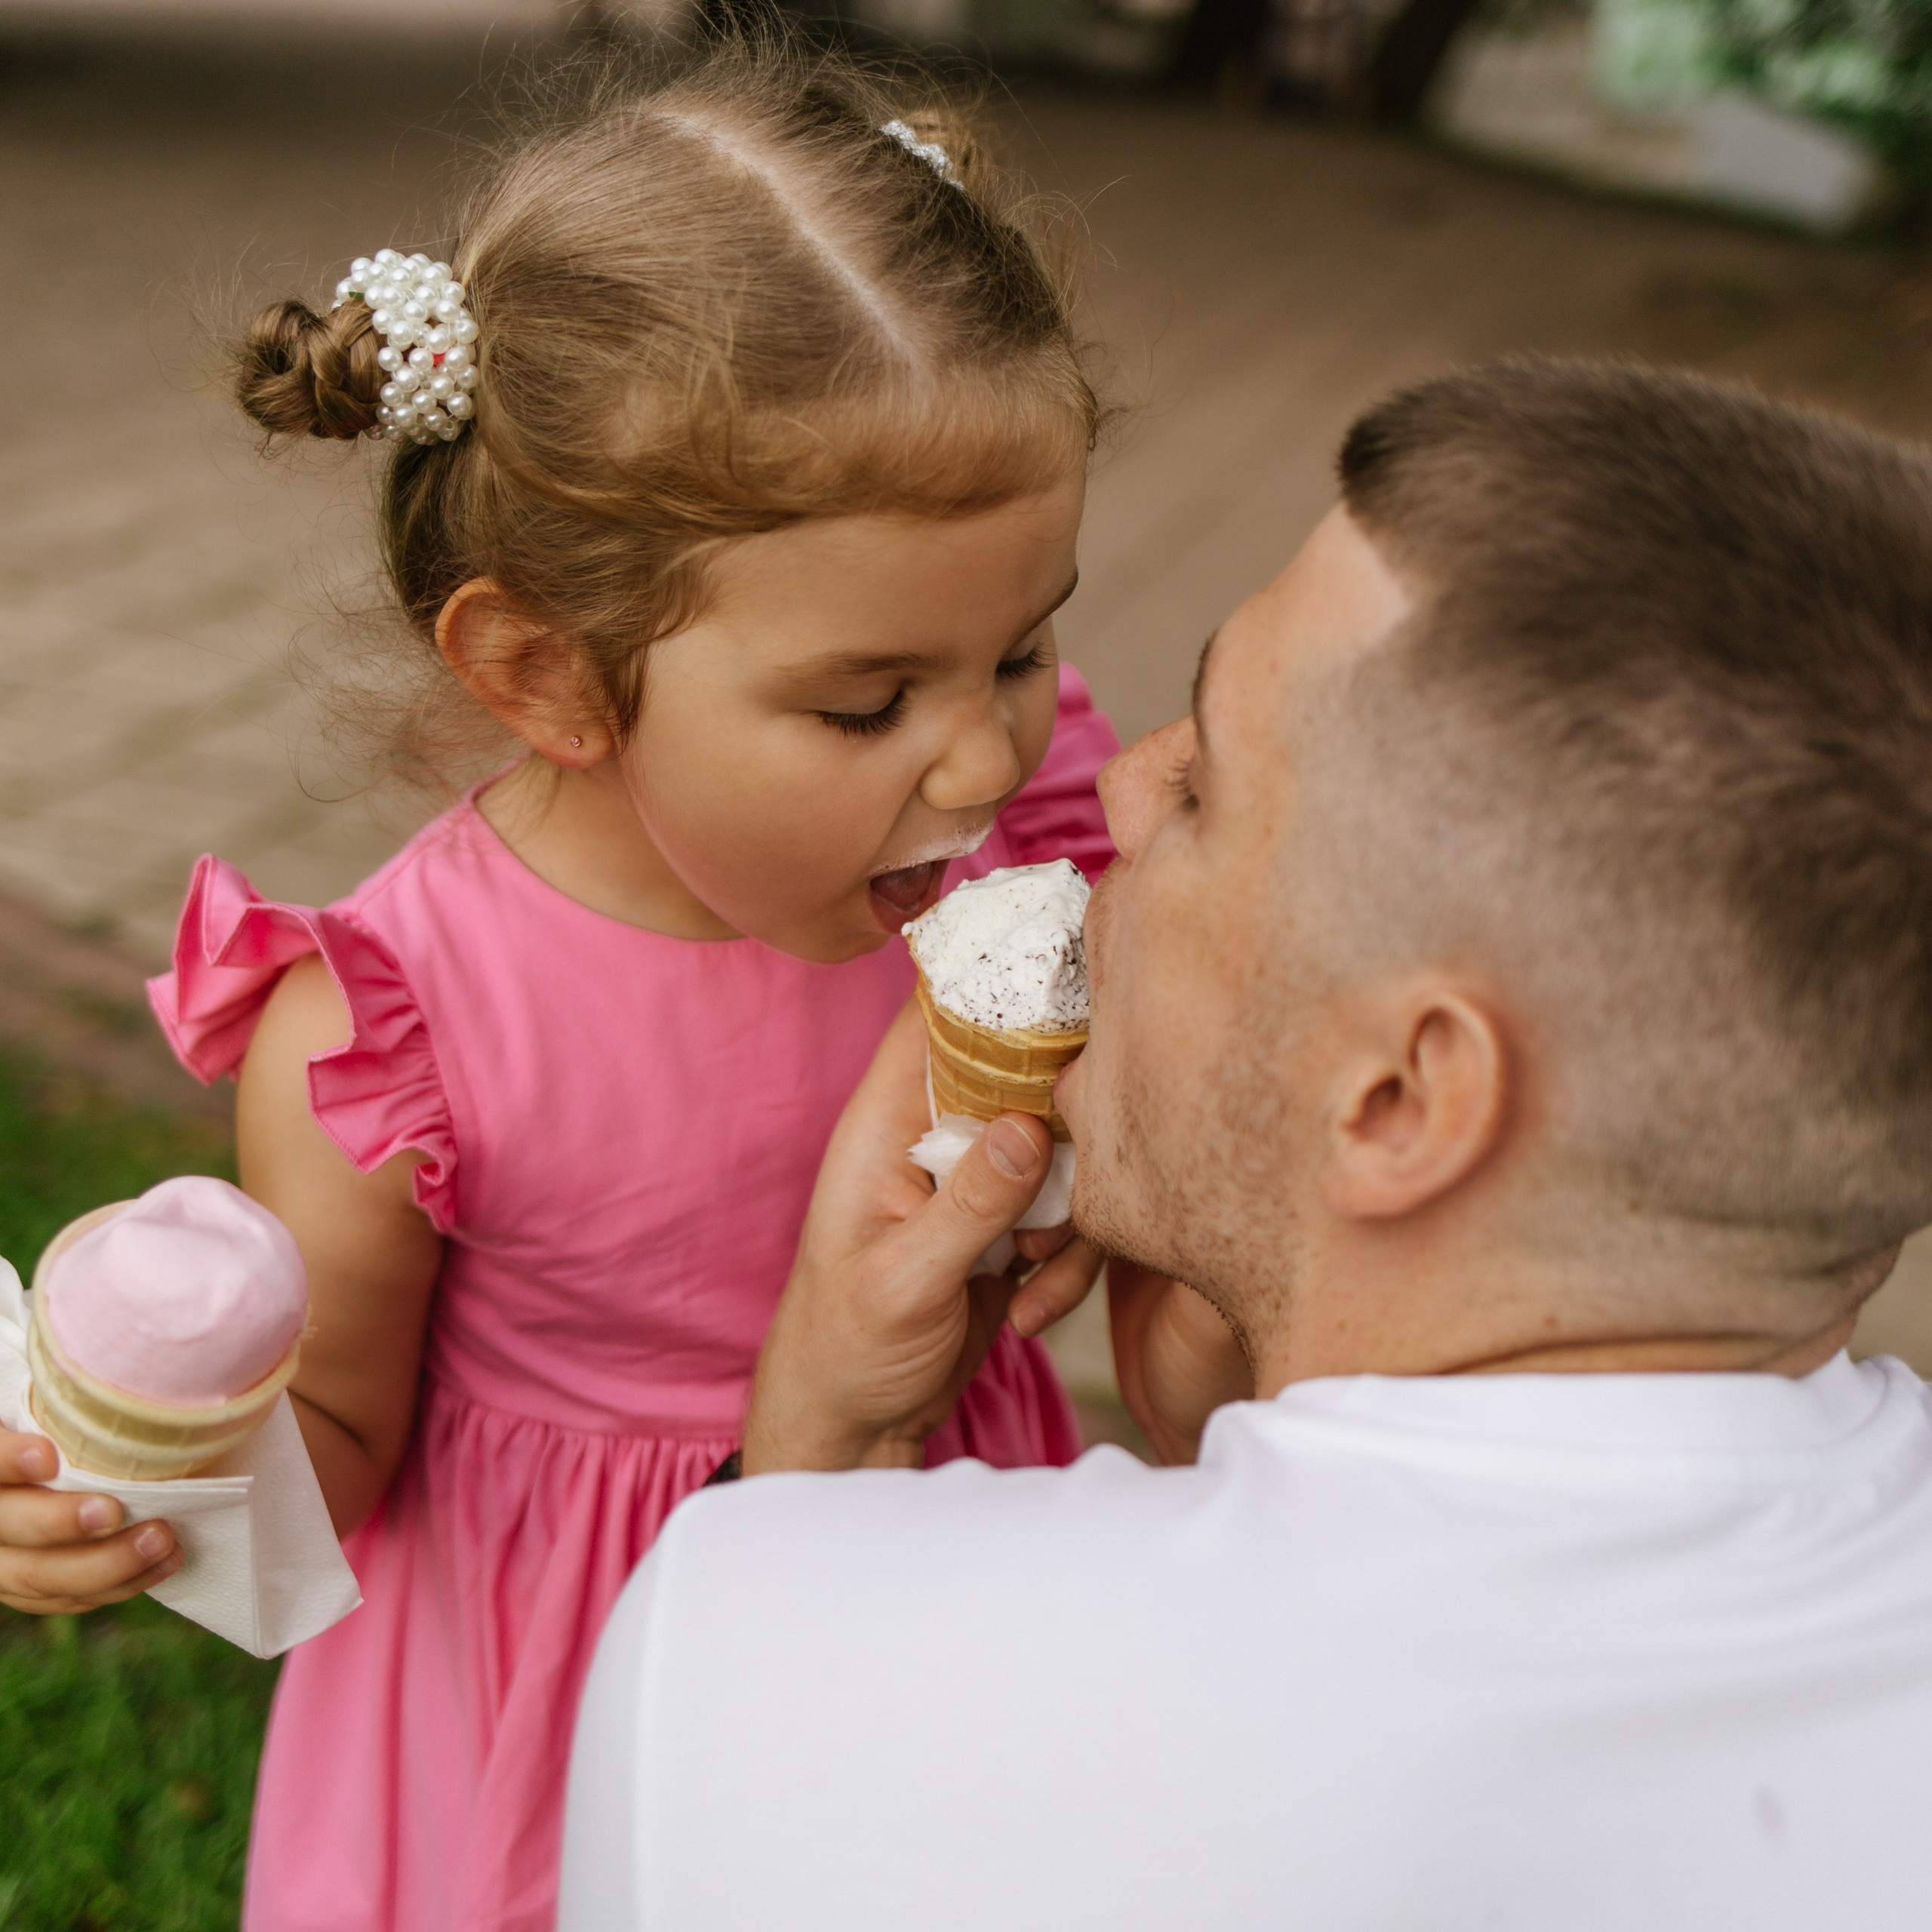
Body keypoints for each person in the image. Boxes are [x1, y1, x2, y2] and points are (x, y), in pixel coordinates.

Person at [561, 358, 1932, 1932]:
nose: (1112, 790)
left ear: (1401, 1099)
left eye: (1205, 784)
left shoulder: (772, 1648)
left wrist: (816, 1457)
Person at [0, 43, 1121, 1932]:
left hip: (935, 1562)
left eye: (1022, 647)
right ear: (538, 669)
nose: (978, 762)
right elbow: (338, 1462)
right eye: (867, 702)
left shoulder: (1027, 849)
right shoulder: (390, 1033)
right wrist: (136, 1469)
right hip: (557, 1687)